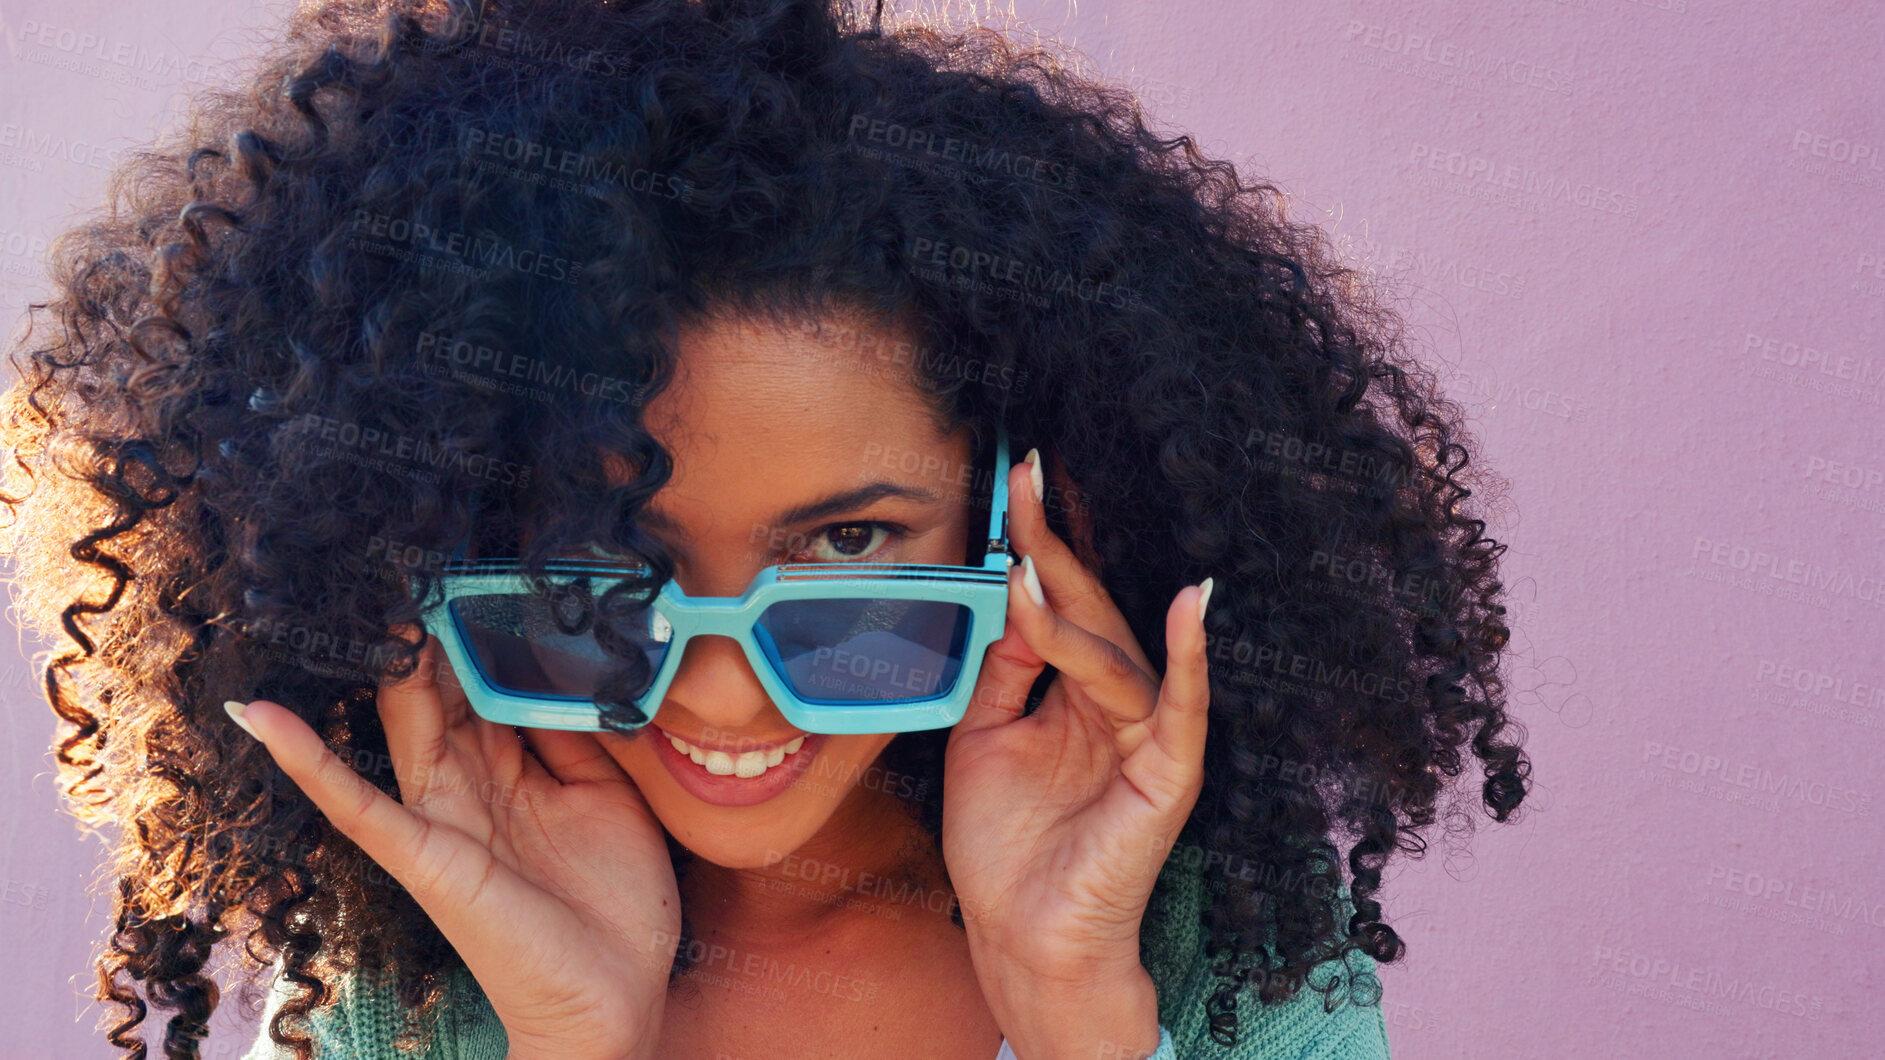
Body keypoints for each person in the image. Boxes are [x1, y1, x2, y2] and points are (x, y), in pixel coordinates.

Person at [0, 0, 1531, 1057]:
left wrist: (1078, 1012)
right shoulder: (414, 979)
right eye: (617, 565)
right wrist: (563, 1037)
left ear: (1032, 525)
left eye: (850, 550)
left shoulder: (1213, 952)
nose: (719, 694)